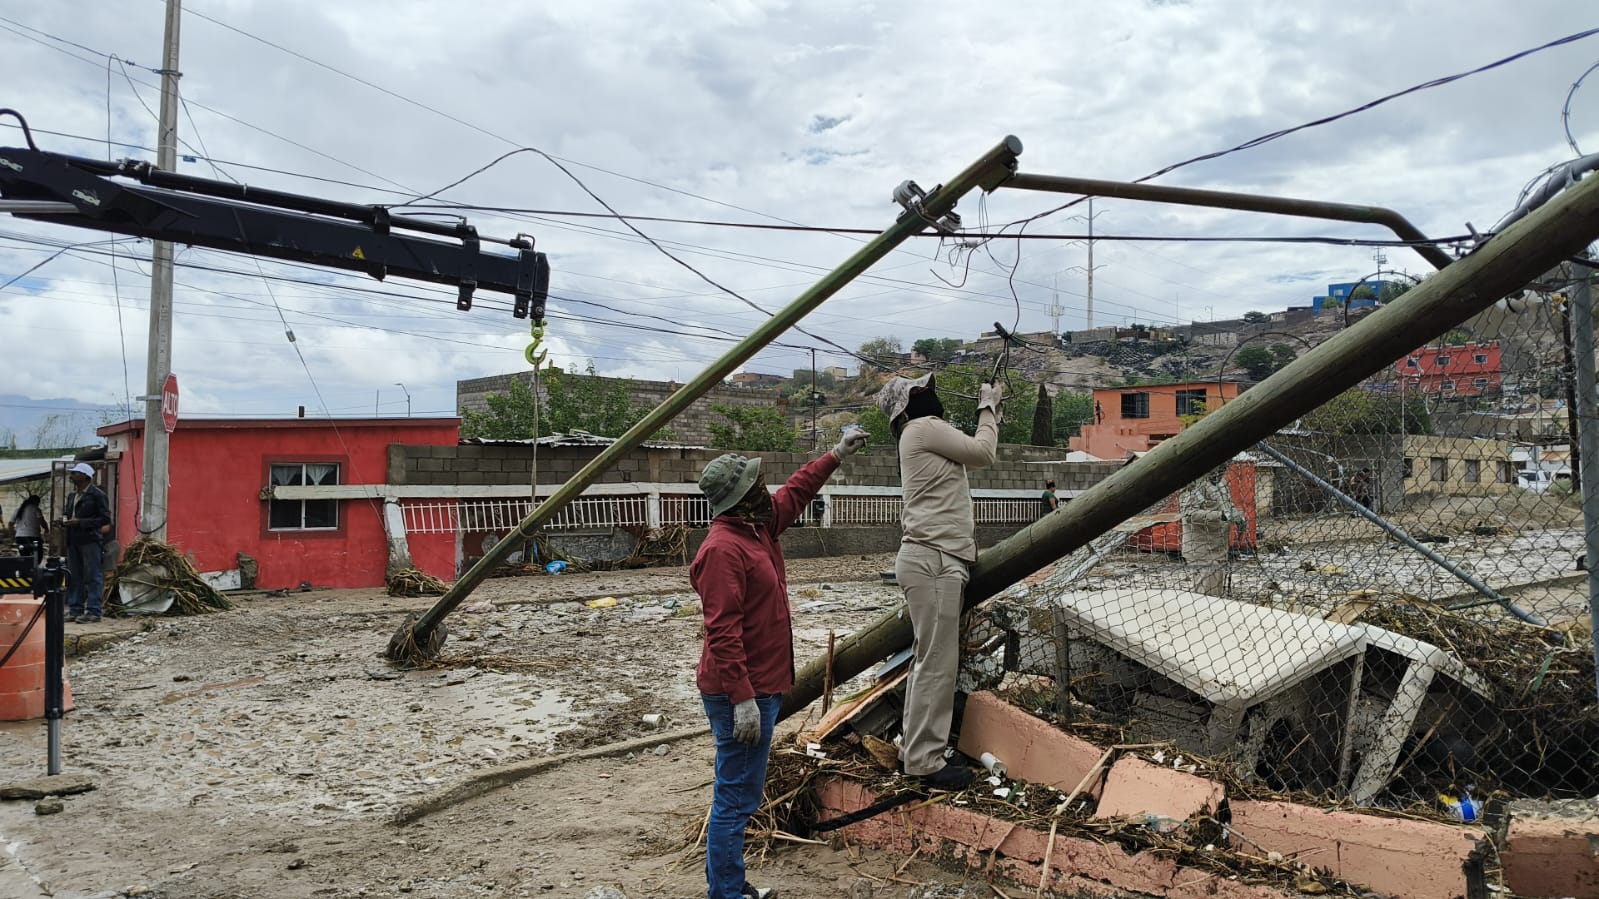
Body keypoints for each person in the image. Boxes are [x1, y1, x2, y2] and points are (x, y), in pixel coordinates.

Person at [691, 427, 867, 899]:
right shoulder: (722, 550)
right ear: (740, 500)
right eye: (756, 486)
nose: (765, 490)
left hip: (761, 685)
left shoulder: (757, 527)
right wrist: (742, 700)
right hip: (741, 692)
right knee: (735, 798)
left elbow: (795, 492)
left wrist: (835, 455)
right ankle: (727, 893)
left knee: (739, 793)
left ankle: (730, 887)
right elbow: (722, 633)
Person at [877, 371, 1003, 791]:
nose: (929, 394)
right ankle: (925, 761)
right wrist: (988, 407)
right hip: (934, 560)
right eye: (921, 390)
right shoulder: (924, 427)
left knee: (927, 662)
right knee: (936, 666)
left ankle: (915, 751)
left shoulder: (915, 434)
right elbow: (983, 452)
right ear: (907, 405)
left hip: (929, 560)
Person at [59, 462, 111, 623]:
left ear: (85, 476)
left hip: (90, 540)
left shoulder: (97, 495)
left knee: (92, 575)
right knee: (74, 576)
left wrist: (81, 522)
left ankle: (94, 611)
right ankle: (75, 609)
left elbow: (105, 519)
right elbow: (68, 514)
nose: (72, 475)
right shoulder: (72, 496)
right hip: (74, 540)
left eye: (75, 473)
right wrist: (64, 521)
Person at [1181, 465, 1244, 596]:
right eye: (1218, 467)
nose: (1221, 471)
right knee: (1205, 596)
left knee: (1215, 596)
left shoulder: (1222, 483)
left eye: (1224, 467)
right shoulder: (1196, 485)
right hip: (1202, 550)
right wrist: (1220, 515)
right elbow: (1188, 514)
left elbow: (1227, 506)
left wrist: (1238, 516)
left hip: (1218, 549)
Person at [10, 493, 47, 562]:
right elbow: (42, 521)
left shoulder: (18, 510)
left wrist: (13, 533)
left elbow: (10, 524)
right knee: (38, 556)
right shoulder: (36, 509)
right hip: (33, 536)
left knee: (24, 557)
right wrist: (46, 529)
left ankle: (26, 567)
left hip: (20, 537)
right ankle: (34, 567)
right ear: (36, 502)